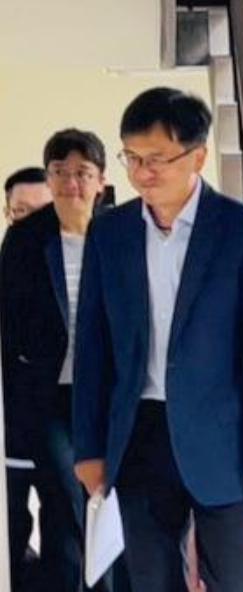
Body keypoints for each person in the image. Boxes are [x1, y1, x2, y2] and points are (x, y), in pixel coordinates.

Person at [72, 86, 243, 592]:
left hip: (226, 439)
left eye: (157, 159)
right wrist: (89, 446)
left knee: (240, 579)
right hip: (139, 434)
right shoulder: (110, 234)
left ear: (197, 156)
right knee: (150, 579)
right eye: (132, 158)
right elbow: (92, 348)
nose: (142, 173)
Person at [1, 130, 112, 591]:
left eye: (82, 173)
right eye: (60, 172)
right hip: (49, 396)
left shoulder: (121, 233)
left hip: (110, 396)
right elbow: (10, 321)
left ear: (101, 180)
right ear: (49, 178)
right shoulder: (26, 239)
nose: (71, 183)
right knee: (65, 496)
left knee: (110, 504)